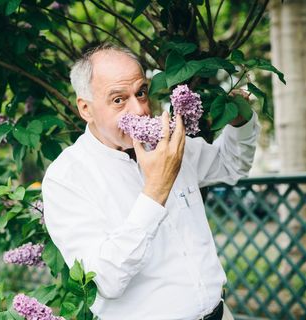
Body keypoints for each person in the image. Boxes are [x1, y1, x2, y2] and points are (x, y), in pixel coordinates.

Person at [42, 43, 261, 320]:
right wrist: (157, 188)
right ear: (86, 109)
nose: (140, 110)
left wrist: (240, 121)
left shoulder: (169, 143)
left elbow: (232, 164)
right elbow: (107, 280)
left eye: (141, 93)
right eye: (118, 99)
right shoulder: (67, 178)